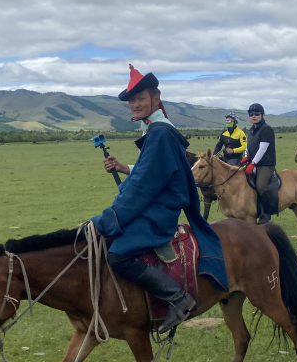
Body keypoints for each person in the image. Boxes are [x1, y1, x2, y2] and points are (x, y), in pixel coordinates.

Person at [92, 64, 229, 334]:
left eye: (140, 98)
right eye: (131, 100)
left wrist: (110, 218)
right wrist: (123, 169)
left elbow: (143, 186)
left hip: (158, 214)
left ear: (156, 98)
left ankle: (178, 298)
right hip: (153, 205)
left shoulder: (159, 134)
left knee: (118, 255)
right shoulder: (154, 130)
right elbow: (149, 172)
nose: (135, 104)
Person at [242, 103, 276, 225]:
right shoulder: (251, 129)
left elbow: (263, 148)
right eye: (251, 114)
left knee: (260, 186)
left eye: (257, 114)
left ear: (263, 115)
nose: (254, 116)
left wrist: (253, 163)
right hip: (253, 161)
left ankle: (266, 213)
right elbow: (249, 145)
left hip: (265, 164)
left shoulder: (266, 129)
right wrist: (246, 156)